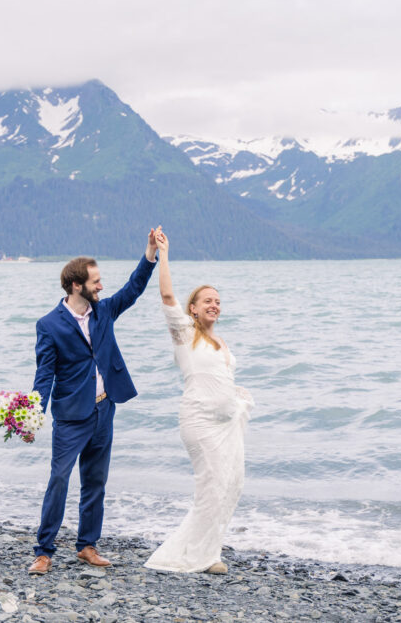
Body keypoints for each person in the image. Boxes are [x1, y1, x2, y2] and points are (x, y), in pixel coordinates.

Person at [28, 229, 159, 575]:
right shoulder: (49, 325)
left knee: (95, 481)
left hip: (105, 408)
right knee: (59, 479)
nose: (101, 286)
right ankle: (44, 551)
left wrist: (149, 253)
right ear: (76, 286)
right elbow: (45, 375)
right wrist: (32, 416)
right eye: (96, 282)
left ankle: (87, 546)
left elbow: (134, 288)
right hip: (71, 416)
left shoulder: (104, 312)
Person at [144, 228, 253, 574]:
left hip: (225, 425)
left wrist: (236, 397)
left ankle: (210, 549)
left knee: (231, 485)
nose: (214, 305)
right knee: (211, 486)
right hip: (200, 422)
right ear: (192, 308)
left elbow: (221, 379)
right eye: (207, 300)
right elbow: (165, 295)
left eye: (218, 301)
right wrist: (163, 253)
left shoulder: (221, 343)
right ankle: (193, 556)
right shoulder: (185, 334)